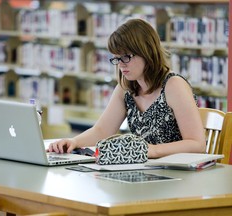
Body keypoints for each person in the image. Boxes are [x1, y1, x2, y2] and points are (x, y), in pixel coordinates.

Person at [48, 18, 206, 159]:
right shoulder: (126, 88)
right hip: (149, 172)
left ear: (147, 52)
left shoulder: (173, 85)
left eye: (126, 57)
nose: (121, 64)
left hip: (179, 176)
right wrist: (73, 141)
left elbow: (197, 145)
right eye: (117, 58)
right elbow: (102, 131)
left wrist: (152, 151)